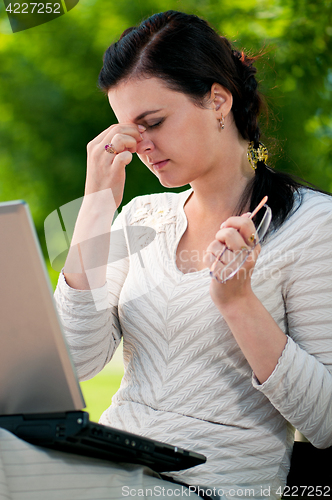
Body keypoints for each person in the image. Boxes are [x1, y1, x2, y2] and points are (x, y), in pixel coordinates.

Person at [52, 10, 332, 500]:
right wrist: (96, 206)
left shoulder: (312, 225)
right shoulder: (142, 217)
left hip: (213, 484)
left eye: (153, 122)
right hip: (109, 470)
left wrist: (238, 302)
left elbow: (326, 423)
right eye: (127, 129)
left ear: (218, 100)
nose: (140, 145)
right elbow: (76, 360)